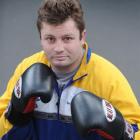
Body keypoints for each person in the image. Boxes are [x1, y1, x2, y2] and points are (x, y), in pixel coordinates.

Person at [0, 0, 140, 139]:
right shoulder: (26, 68)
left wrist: (121, 132)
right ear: (40, 38)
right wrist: (15, 114)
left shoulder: (108, 78)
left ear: (82, 37)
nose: (59, 48)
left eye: (67, 38)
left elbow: (136, 129)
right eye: (50, 39)